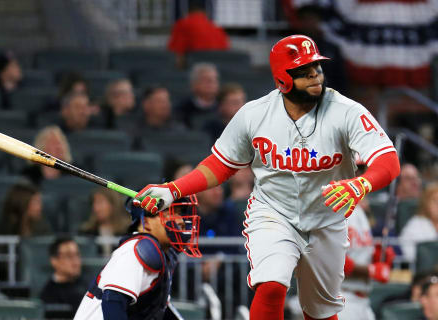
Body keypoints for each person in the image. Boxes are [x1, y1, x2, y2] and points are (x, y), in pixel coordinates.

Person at [133, 34, 400, 320]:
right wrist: (173, 189)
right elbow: (221, 165)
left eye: (316, 67)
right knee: (271, 286)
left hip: (327, 219)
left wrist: (362, 183)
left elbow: (388, 161)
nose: (314, 75)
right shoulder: (255, 114)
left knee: (320, 311)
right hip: (274, 212)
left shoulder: (346, 111)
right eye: (303, 71)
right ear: (281, 79)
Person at [74, 195, 201, 320]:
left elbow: (159, 309)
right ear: (146, 222)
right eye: (169, 214)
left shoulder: (165, 254)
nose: (180, 221)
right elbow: (112, 302)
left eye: (179, 213)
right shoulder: (137, 250)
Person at [167, 0, 229, 69]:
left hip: (197, 69)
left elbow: (175, 53)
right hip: (217, 70)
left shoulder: (182, 25)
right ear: (205, 12)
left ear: (188, 11)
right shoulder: (218, 29)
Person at [40, 236, 89, 319]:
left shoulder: (89, 286)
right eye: (69, 256)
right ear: (54, 261)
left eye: (77, 255)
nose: (75, 261)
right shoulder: (48, 295)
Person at [79, 188, 131, 255]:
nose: (95, 208)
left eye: (100, 202)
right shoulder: (86, 232)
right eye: (94, 203)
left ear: (113, 204)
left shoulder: (128, 232)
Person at [400, 183, 438, 262]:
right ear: (426, 204)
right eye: (435, 201)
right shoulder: (416, 224)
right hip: (424, 271)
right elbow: (408, 252)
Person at [175, 63, 220, 129]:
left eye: (214, 80)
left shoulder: (223, 107)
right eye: (207, 80)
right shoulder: (183, 110)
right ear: (194, 84)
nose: (212, 83)